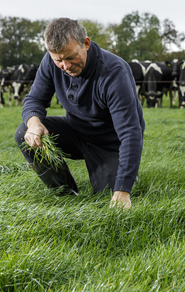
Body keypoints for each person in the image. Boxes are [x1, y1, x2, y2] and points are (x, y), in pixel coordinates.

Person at [14, 18, 144, 209]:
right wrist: (34, 124)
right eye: (58, 60)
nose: (65, 66)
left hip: (108, 143)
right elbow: (35, 100)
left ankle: (124, 174)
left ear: (86, 43)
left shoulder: (114, 72)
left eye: (70, 57)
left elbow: (130, 133)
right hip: (76, 131)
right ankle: (65, 193)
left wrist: (122, 191)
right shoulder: (51, 62)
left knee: (107, 197)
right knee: (24, 131)